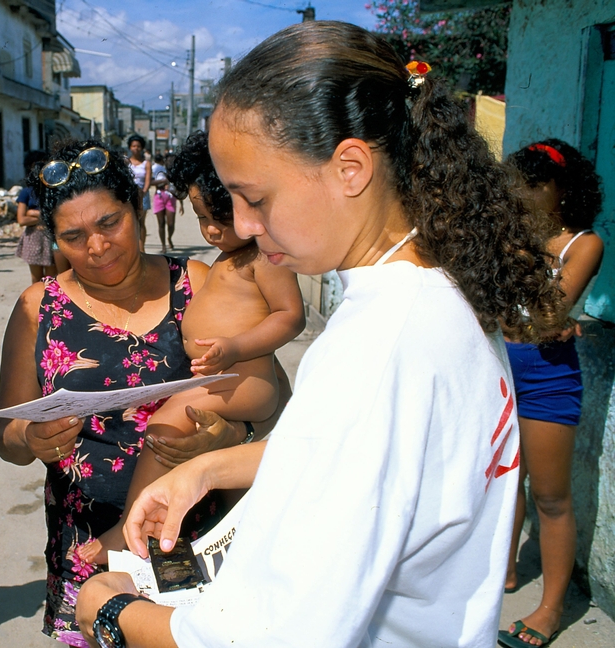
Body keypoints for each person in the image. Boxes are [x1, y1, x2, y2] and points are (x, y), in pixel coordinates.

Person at [74, 21, 565, 648]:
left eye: (254, 197)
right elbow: (369, 455)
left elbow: (275, 637)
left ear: (349, 168)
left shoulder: (381, 347)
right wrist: (212, 468)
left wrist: (114, 614)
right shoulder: (434, 295)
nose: (245, 225)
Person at [0, 140, 283, 647]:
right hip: (88, 543)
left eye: (110, 224)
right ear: (53, 239)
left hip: (197, 535)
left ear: (138, 209)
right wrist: (31, 438)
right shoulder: (38, 307)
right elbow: (5, 437)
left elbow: (269, 390)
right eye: (74, 236)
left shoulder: (194, 281)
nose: (97, 247)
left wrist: (230, 434)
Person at [79, 130, 305, 562]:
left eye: (219, 217)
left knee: (166, 420)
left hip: (247, 381)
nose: (211, 230)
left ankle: (130, 525)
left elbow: (290, 316)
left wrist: (237, 346)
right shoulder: (230, 258)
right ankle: (157, 519)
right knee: (169, 425)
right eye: (201, 218)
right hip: (228, 378)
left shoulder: (264, 255)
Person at [499, 140, 605, 648]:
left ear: (562, 189)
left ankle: (551, 607)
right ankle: (507, 572)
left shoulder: (583, 243)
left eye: (534, 185)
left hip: (546, 378)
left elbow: (545, 316)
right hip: (500, 367)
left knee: (550, 495)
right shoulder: (514, 237)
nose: (523, 193)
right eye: (519, 183)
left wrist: (518, 252)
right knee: (505, 480)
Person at [16, 150, 57, 283]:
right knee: (36, 279)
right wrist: (44, 216)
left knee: (52, 279)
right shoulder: (26, 192)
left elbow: (57, 215)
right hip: (33, 238)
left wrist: (32, 213)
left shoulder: (53, 191)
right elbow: (22, 220)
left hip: (50, 237)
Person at [126, 135, 151, 245]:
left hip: (143, 195)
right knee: (130, 222)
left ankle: (142, 247)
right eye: (133, 146)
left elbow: (148, 181)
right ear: (130, 147)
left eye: (138, 146)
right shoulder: (126, 162)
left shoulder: (146, 163)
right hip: (129, 195)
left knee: (141, 222)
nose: (136, 148)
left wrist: (143, 192)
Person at [150, 154, 177, 253]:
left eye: (172, 160)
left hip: (171, 196)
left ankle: (169, 237)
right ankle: (163, 245)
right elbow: (150, 182)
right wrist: (162, 181)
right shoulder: (158, 169)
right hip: (159, 195)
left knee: (171, 224)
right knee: (161, 223)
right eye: (168, 160)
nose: (169, 162)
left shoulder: (174, 171)